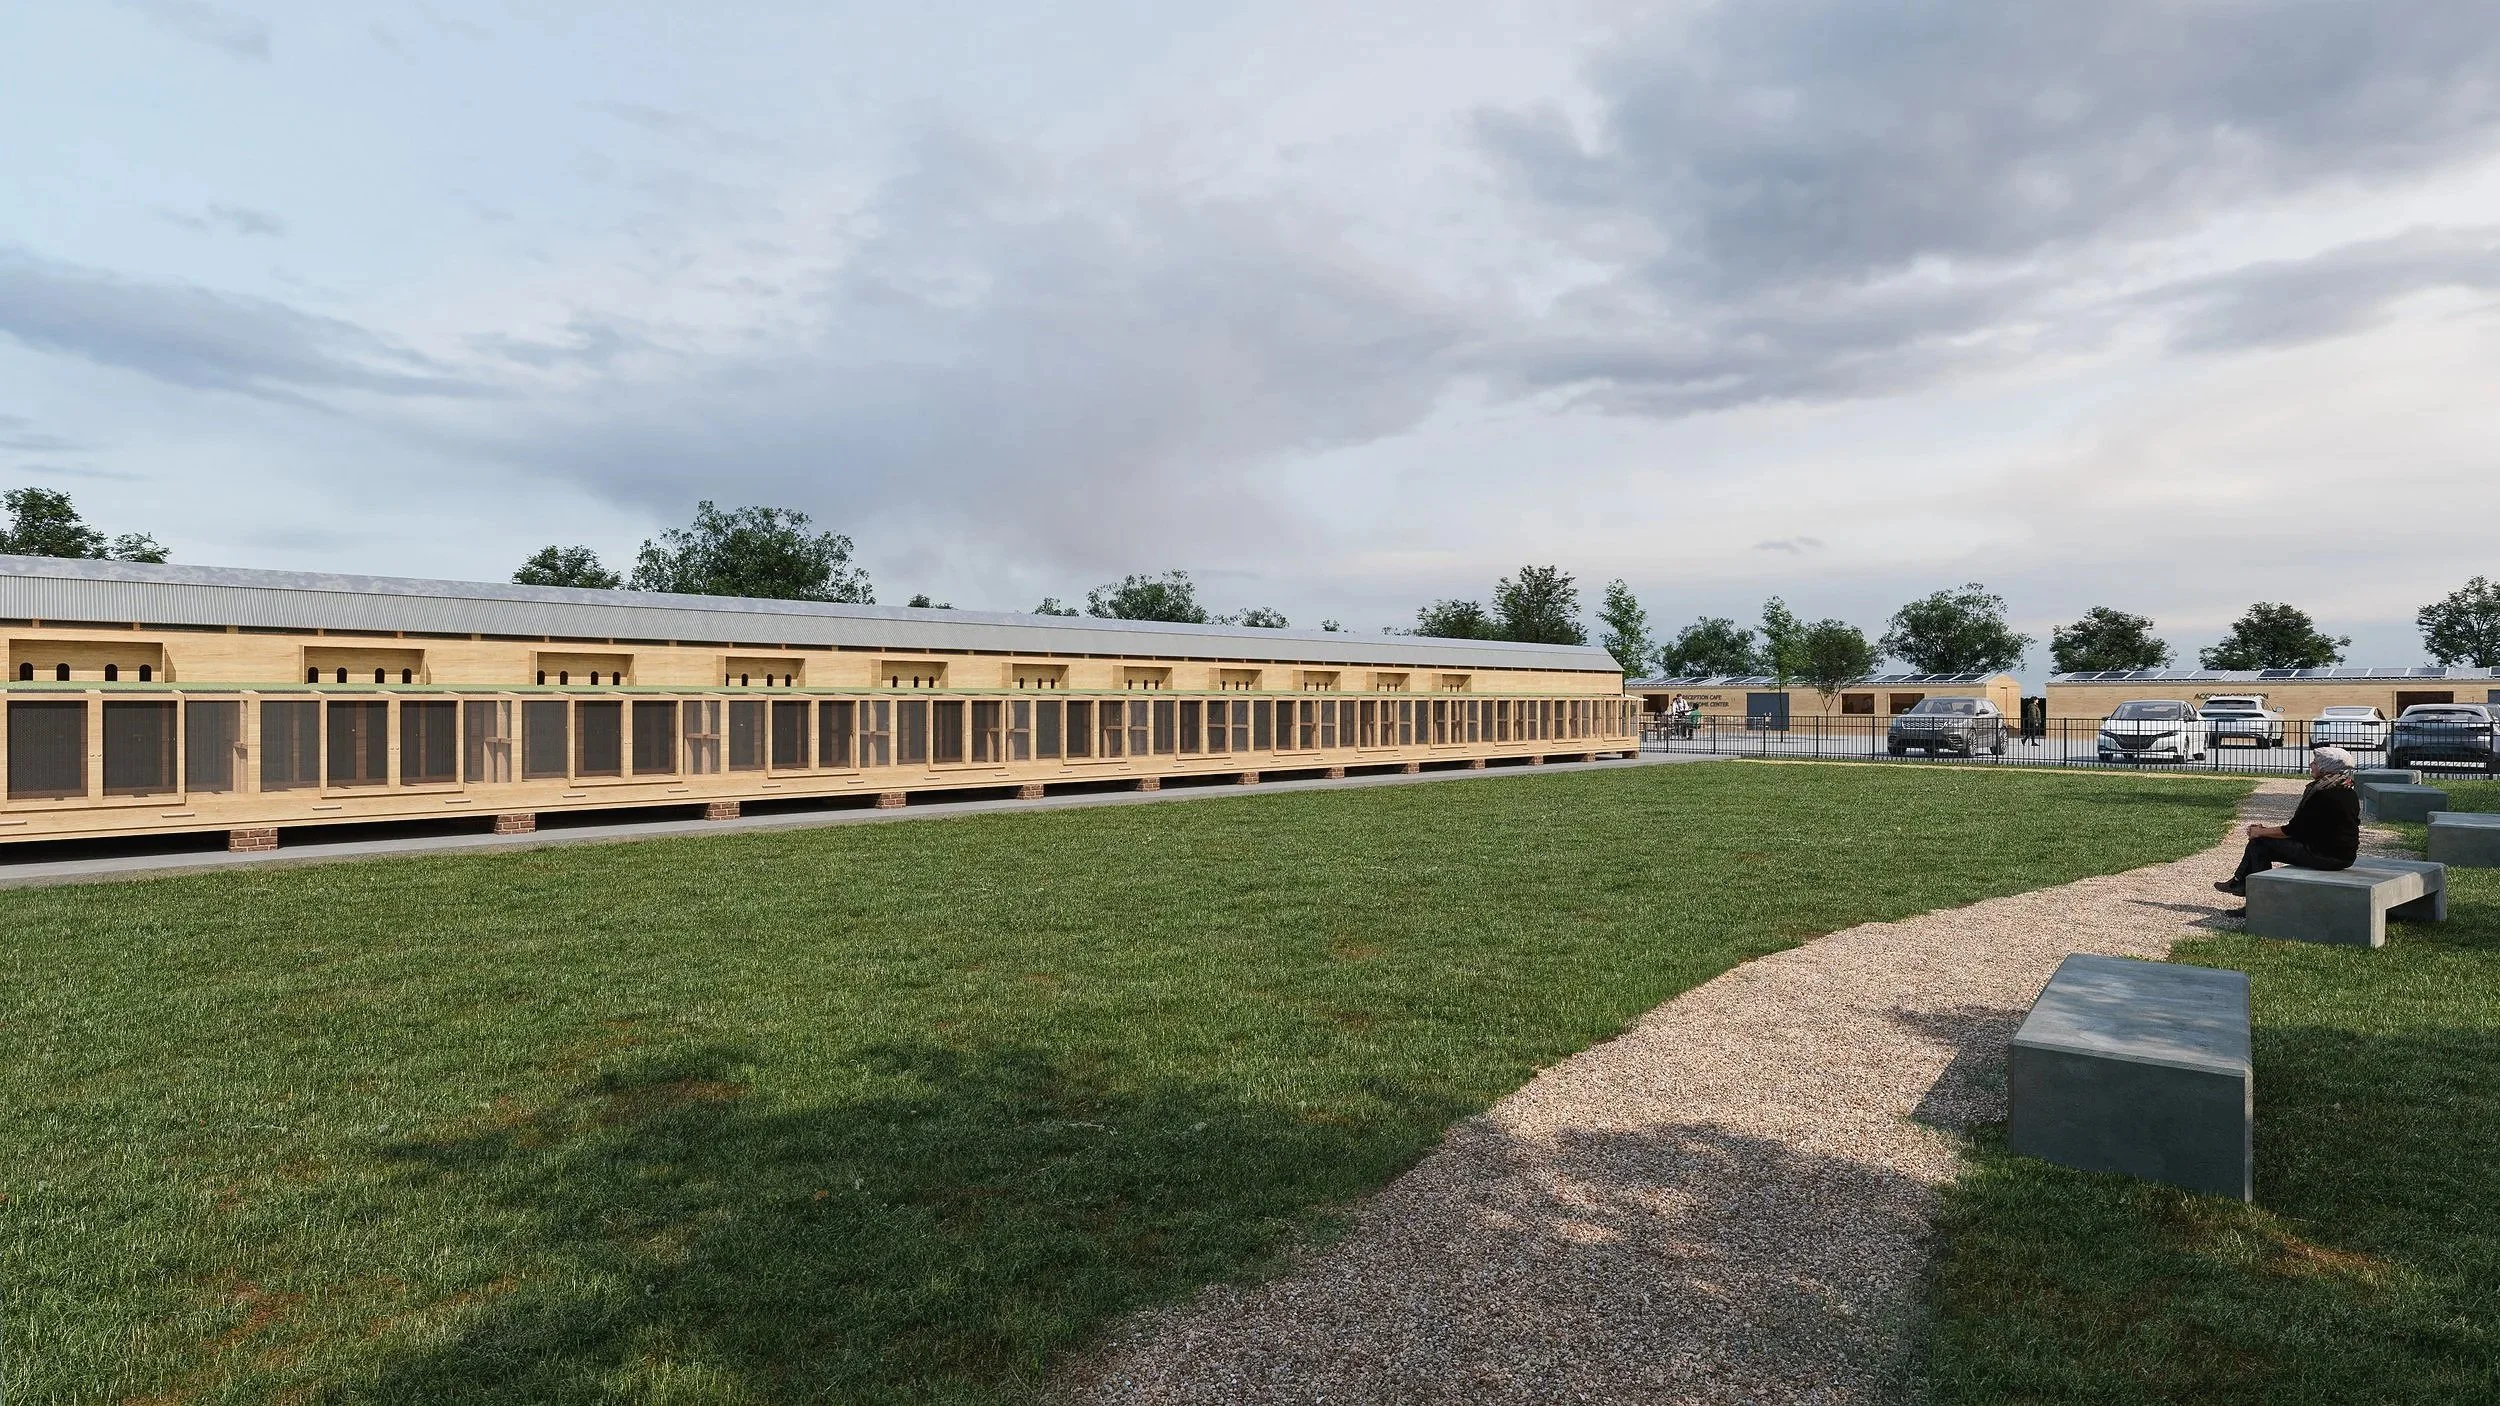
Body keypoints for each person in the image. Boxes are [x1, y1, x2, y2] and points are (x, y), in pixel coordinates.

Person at [2216, 745, 2360, 898]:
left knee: (2259, 845)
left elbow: (2293, 831)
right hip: (2344, 855)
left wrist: (2260, 832)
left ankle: (2259, 899)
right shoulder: (2347, 790)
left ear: (2326, 767)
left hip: (2328, 856)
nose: (2311, 765)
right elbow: (2309, 829)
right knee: (2261, 841)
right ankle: (2239, 883)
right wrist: (2265, 831)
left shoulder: (2322, 794)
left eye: (2315, 762)